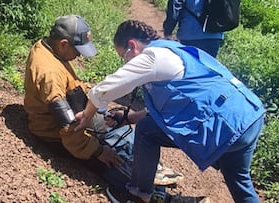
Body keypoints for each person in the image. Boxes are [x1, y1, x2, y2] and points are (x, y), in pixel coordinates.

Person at [74, 19, 265, 203]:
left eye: (123, 57)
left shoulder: (151, 57)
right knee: (238, 179)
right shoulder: (172, 50)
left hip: (226, 125)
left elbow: (104, 89)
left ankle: (139, 194)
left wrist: (87, 115)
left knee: (147, 130)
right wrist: (129, 118)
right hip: (249, 117)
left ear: (132, 45)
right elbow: (172, 107)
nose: (125, 63)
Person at [23, 15, 181, 191]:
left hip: (76, 114)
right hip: (56, 134)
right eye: (78, 51)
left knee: (117, 126)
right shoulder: (50, 75)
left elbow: (70, 88)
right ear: (64, 44)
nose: (79, 56)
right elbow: (69, 127)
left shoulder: (50, 48)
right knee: (111, 164)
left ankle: (147, 166)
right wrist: (97, 151)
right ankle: (151, 192)